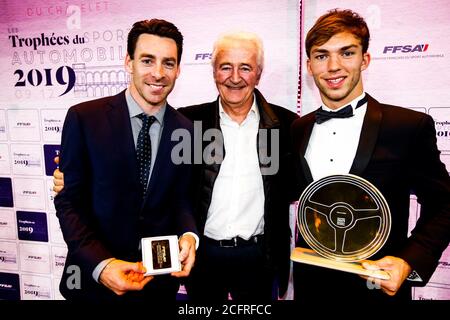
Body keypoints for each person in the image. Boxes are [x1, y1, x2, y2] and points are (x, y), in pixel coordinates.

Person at [291, 9, 450, 302]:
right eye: (321, 55)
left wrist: (407, 261)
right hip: (311, 285)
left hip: (376, 287)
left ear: (365, 59)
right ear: (309, 65)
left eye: (346, 53)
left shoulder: (408, 127)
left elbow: (445, 204)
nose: (333, 66)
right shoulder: (297, 129)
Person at [54, 19, 198, 301]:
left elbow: (182, 200)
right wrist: (102, 265)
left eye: (168, 63)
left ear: (179, 69)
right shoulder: (84, 119)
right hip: (93, 284)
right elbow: (68, 201)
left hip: (156, 287)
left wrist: (189, 237)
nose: (158, 73)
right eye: (147, 60)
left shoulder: (188, 130)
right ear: (128, 62)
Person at [179, 32, 298, 301]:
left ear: (258, 73)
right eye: (225, 67)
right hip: (202, 256)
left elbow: (309, 181)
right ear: (214, 73)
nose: (235, 77)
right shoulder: (189, 123)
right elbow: (160, 176)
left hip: (259, 257)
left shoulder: (286, 125)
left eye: (245, 67)